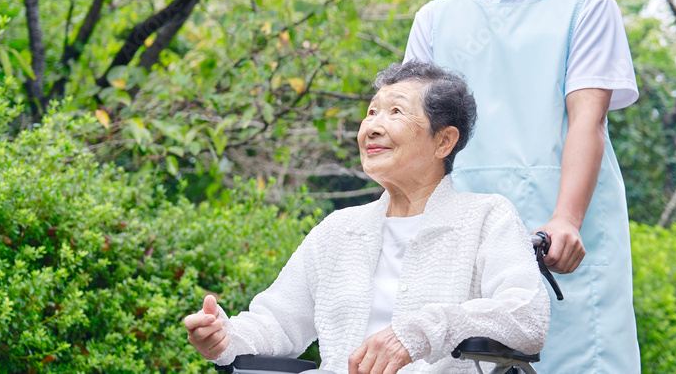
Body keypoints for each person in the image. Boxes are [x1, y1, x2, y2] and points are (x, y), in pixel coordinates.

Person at [404, 0, 641, 373]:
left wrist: (566, 219)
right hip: (462, 238)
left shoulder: (585, 4)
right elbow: (413, 137)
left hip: (560, 238)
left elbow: (588, 118)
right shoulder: (437, 20)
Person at [183, 60, 550, 374]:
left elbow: (526, 317)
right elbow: (277, 323)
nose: (372, 126)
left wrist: (419, 331)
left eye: (396, 112)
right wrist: (224, 338)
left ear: (443, 142)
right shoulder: (338, 231)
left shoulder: (486, 217)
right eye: (372, 111)